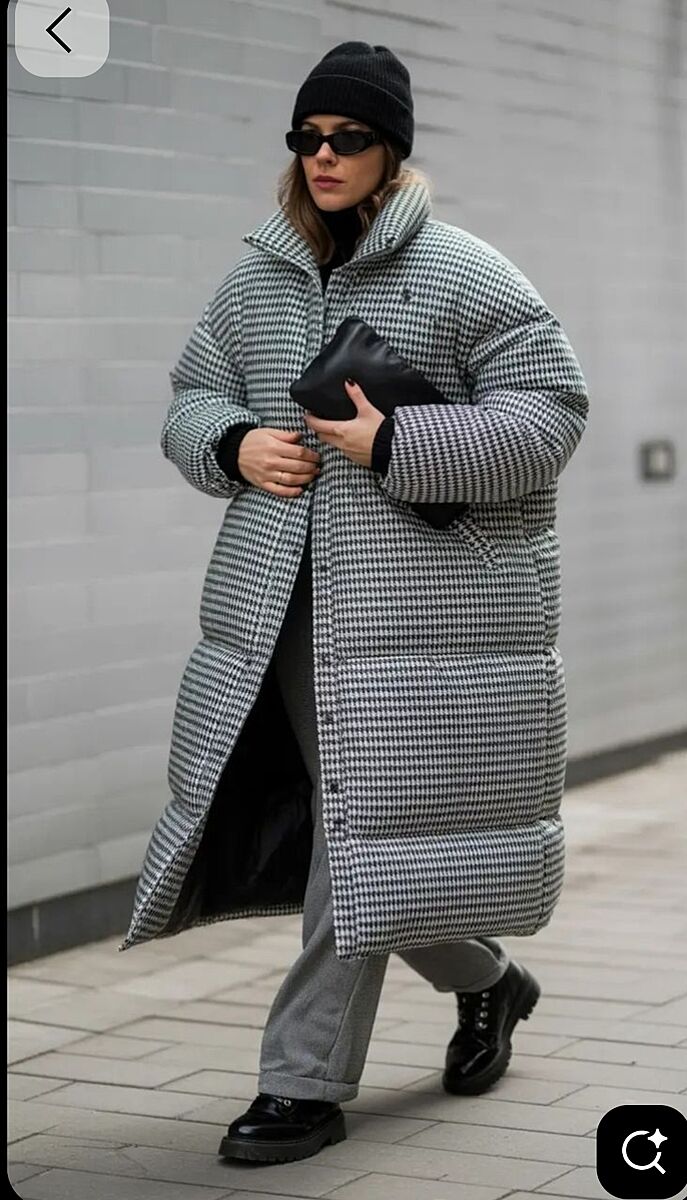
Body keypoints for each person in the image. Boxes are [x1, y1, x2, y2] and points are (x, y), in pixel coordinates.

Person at [119, 42, 589, 1166]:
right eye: (307, 137)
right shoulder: (255, 280)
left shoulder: (466, 272)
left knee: (355, 826)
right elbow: (190, 398)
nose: (323, 156)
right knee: (365, 832)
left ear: (392, 150)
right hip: (278, 614)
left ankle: (301, 1082)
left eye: (349, 138)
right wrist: (233, 445)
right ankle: (489, 980)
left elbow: (551, 415)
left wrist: (395, 441)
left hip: (420, 623)